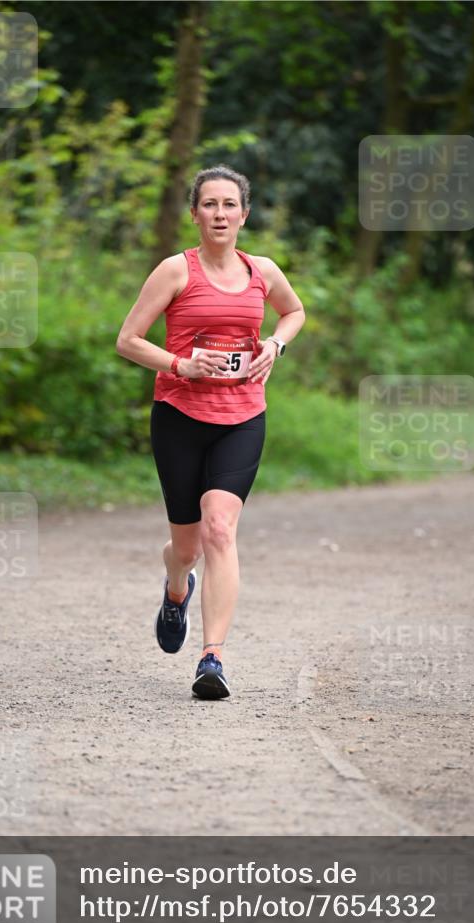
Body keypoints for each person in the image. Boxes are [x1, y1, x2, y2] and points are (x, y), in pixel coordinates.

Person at [116, 164, 305, 700]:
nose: (219, 214)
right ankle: (176, 591)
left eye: (229, 205)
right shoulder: (175, 271)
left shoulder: (263, 270)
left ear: (244, 214)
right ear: (195, 213)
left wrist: (275, 344)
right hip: (178, 416)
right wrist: (181, 365)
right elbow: (128, 340)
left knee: (220, 528)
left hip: (243, 415)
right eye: (209, 205)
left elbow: (293, 312)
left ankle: (212, 658)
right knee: (187, 547)